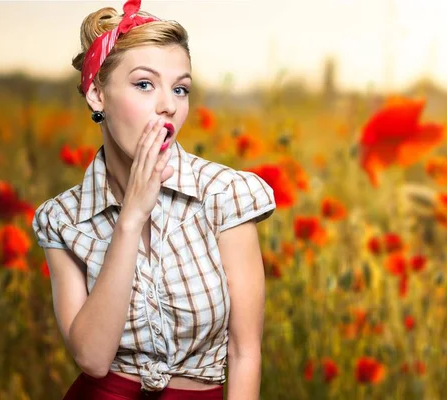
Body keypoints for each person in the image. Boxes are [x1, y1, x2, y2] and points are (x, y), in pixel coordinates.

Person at [31, 0, 276, 398]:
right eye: (144, 84)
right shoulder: (63, 220)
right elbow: (92, 358)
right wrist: (130, 218)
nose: (168, 105)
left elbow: (245, 351)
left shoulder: (224, 194)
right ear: (96, 94)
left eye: (180, 88)